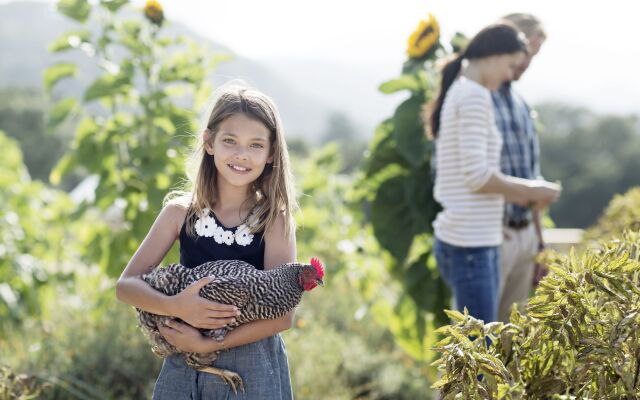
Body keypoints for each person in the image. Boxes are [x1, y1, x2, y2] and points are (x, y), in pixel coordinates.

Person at [116, 83, 298, 399]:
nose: (242, 155)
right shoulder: (178, 213)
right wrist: (176, 306)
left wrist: (210, 343)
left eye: (256, 145)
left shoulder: (274, 219)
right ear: (209, 142)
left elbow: (283, 315)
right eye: (230, 141)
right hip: (185, 360)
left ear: (271, 154)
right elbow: (126, 286)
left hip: (252, 365)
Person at [429, 23, 561, 324]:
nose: (509, 75)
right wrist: (533, 192)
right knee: (478, 354)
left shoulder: (461, 89)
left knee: (479, 347)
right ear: (493, 55)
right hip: (471, 244)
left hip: (469, 239)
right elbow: (477, 176)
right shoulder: (474, 95)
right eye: (510, 65)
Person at [493, 14, 555, 322]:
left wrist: (539, 244)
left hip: (524, 236)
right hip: (494, 234)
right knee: (477, 338)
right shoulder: (479, 98)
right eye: (527, 53)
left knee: (509, 337)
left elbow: (532, 177)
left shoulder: (521, 104)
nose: (528, 62)